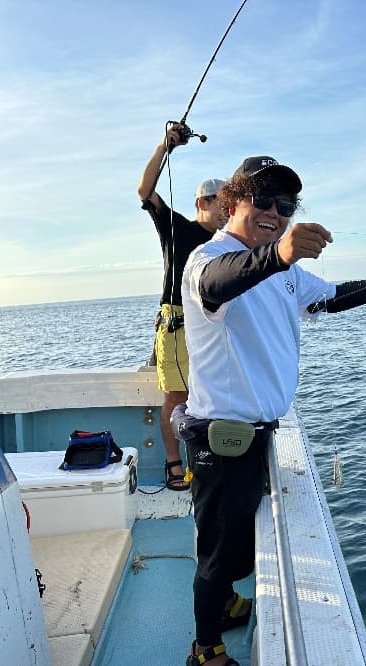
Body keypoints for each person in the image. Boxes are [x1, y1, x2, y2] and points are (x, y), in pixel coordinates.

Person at [175, 155, 366, 666]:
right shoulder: (208, 259)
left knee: (235, 549)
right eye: (262, 199)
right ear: (232, 202)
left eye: (286, 204)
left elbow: (335, 297)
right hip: (219, 440)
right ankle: (205, 650)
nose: (275, 210)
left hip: (259, 435)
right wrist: (278, 253)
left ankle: (222, 604)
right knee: (217, 556)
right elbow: (219, 286)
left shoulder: (287, 273)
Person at [137, 123, 229, 491]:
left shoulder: (229, 244)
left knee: (212, 395)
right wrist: (165, 147)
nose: (227, 210)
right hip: (177, 323)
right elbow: (146, 190)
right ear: (201, 203)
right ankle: (175, 462)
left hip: (212, 325)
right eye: (221, 203)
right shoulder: (177, 226)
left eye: (230, 205)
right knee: (178, 397)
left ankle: (206, 458)